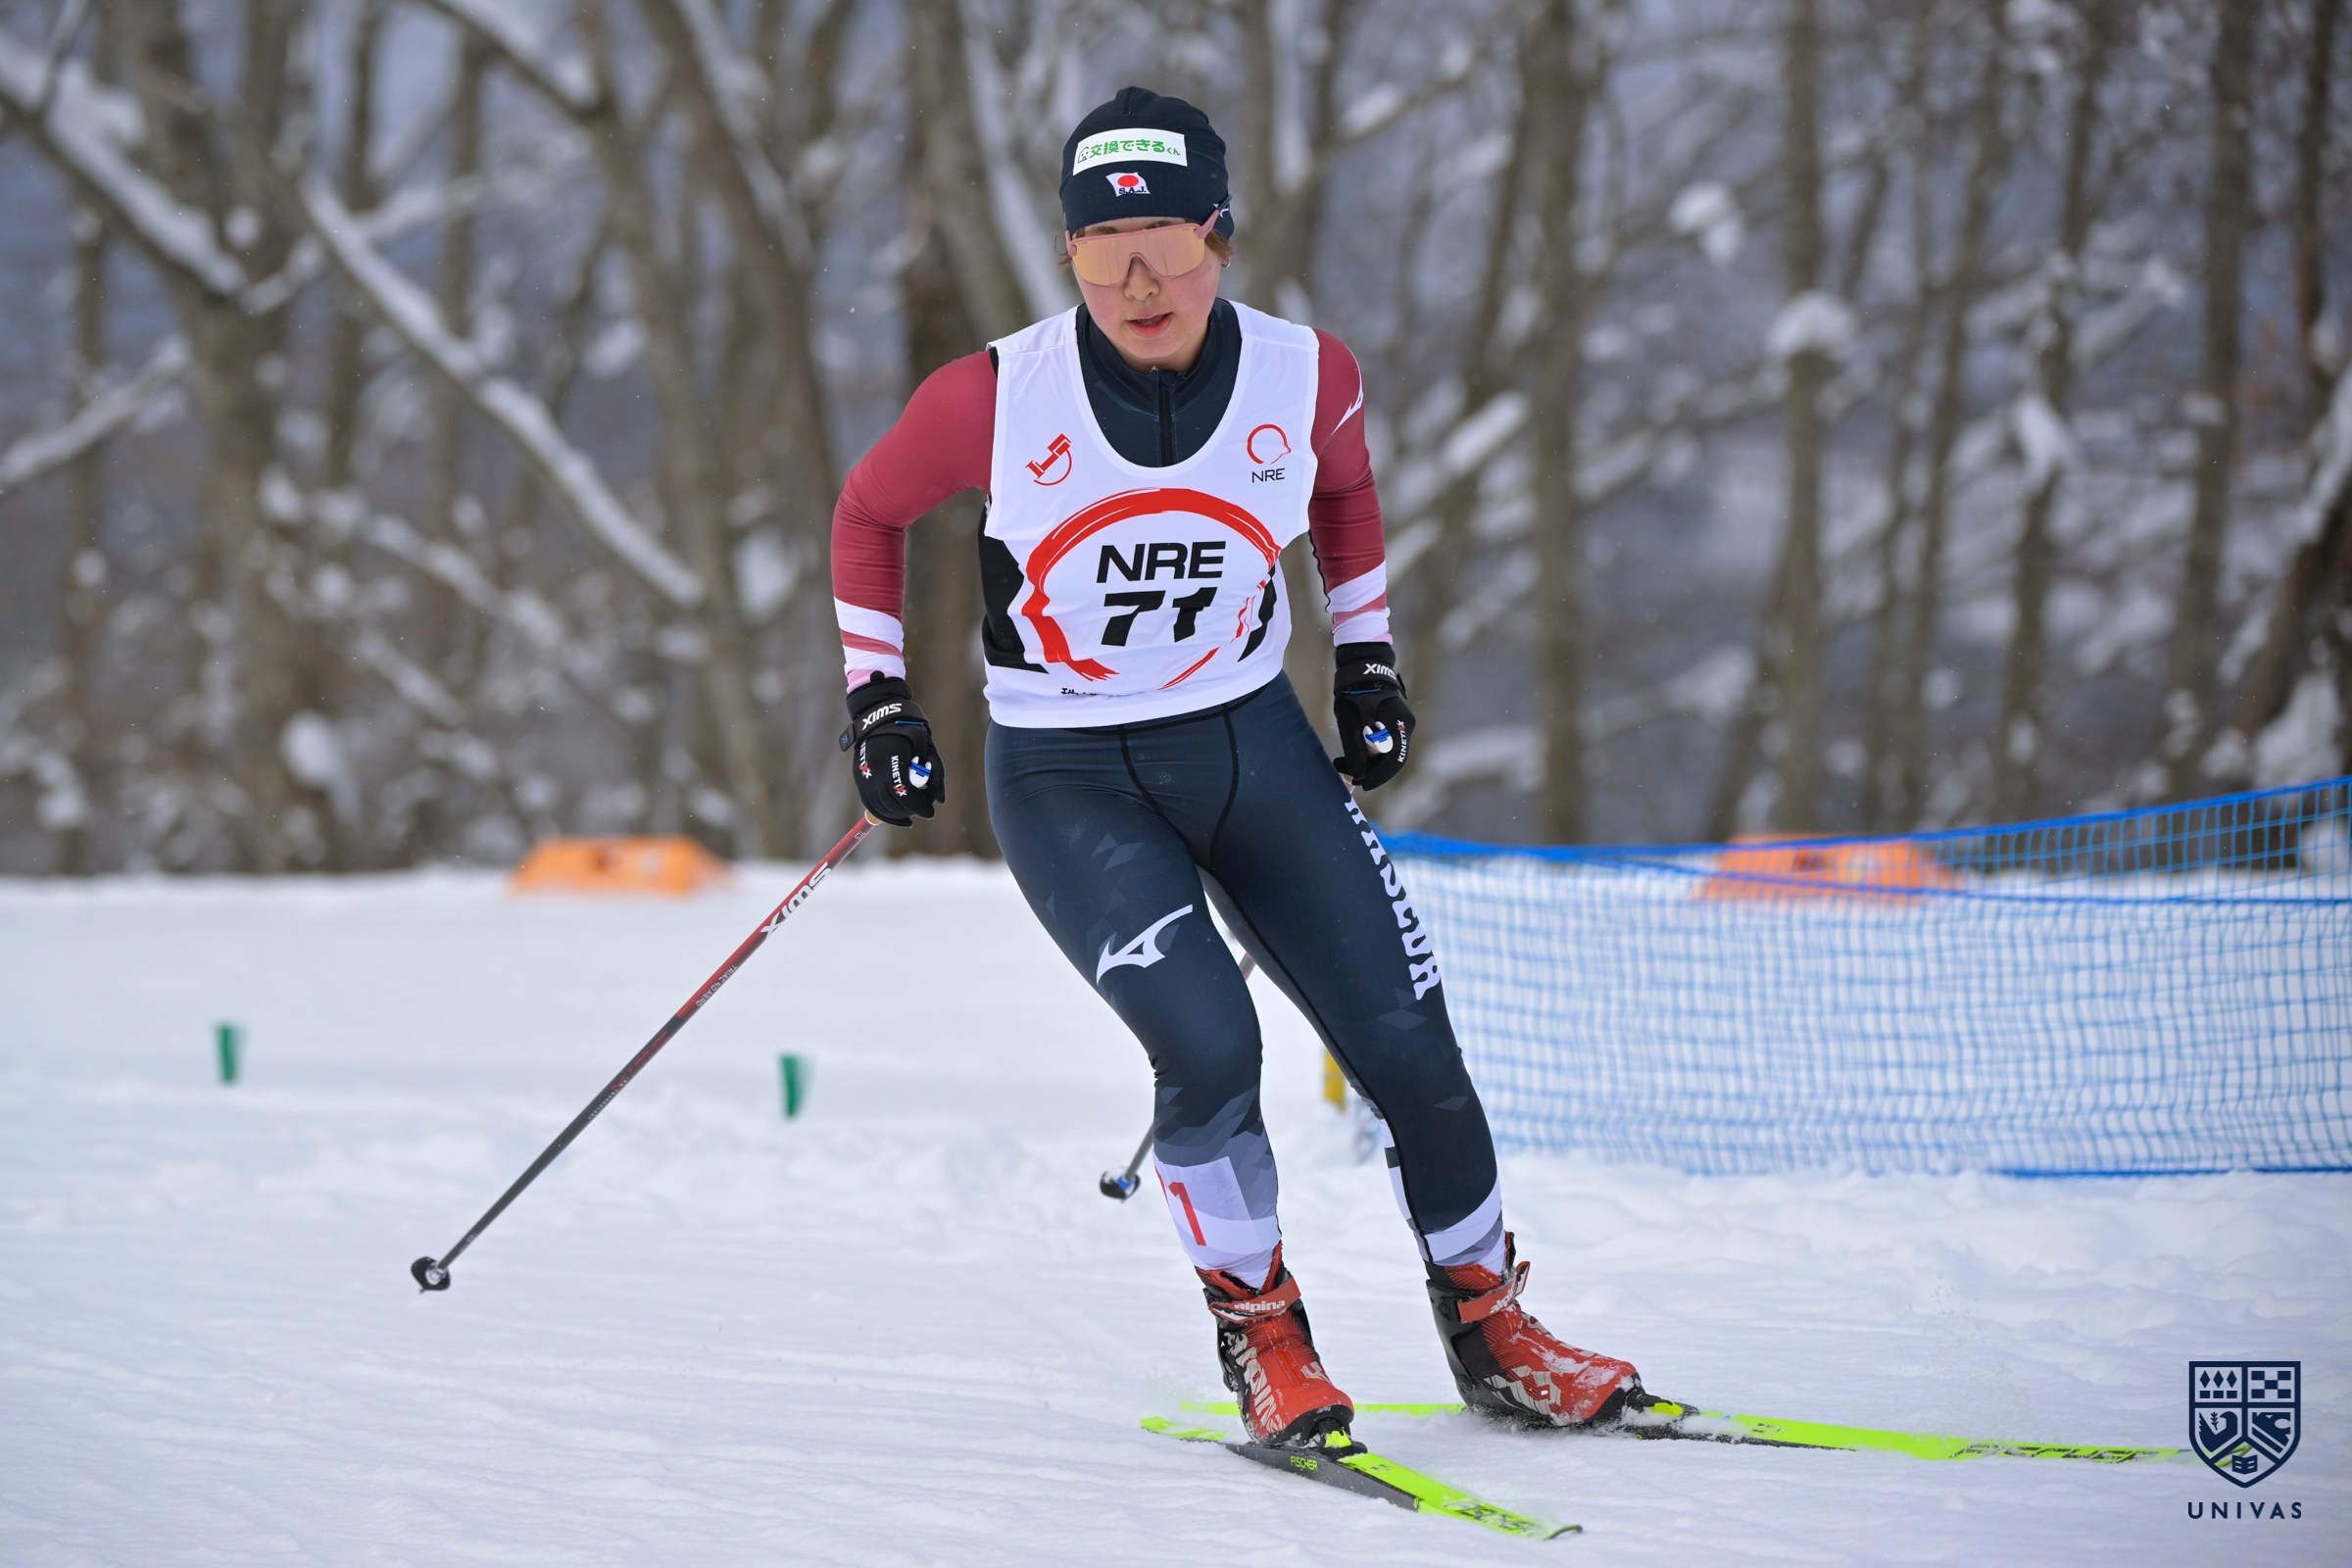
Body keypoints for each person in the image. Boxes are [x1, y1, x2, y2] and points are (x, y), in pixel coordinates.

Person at [831, 86, 1643, 1447]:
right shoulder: (994, 395)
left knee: (1410, 1043)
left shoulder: (1304, 375)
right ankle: (1266, 1342)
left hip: (1249, 742)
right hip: (1071, 777)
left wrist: (1367, 664)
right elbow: (869, 512)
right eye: (1103, 255)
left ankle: (1497, 1331)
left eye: (1165, 249)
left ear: (1218, 236)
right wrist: (879, 703)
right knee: (1211, 1046)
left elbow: (1344, 493)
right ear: (1069, 254)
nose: (1138, 286)